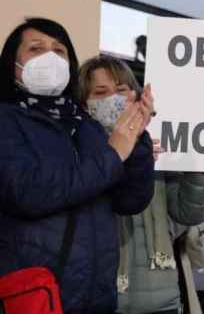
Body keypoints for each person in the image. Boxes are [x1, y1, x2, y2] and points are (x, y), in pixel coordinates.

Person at [0, 18, 155, 313]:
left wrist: (137, 136)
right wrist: (113, 154)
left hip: (96, 296)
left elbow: (129, 199)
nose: (50, 56)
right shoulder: (6, 120)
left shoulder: (84, 124)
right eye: (36, 48)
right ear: (13, 64)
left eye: (59, 50)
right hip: (35, 295)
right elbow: (28, 192)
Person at [78, 55, 204, 314]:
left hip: (163, 303)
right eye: (101, 92)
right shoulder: (78, 154)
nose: (114, 99)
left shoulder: (154, 148)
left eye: (121, 90)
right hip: (105, 302)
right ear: (85, 104)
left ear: (136, 96)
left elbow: (189, 213)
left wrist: (199, 165)